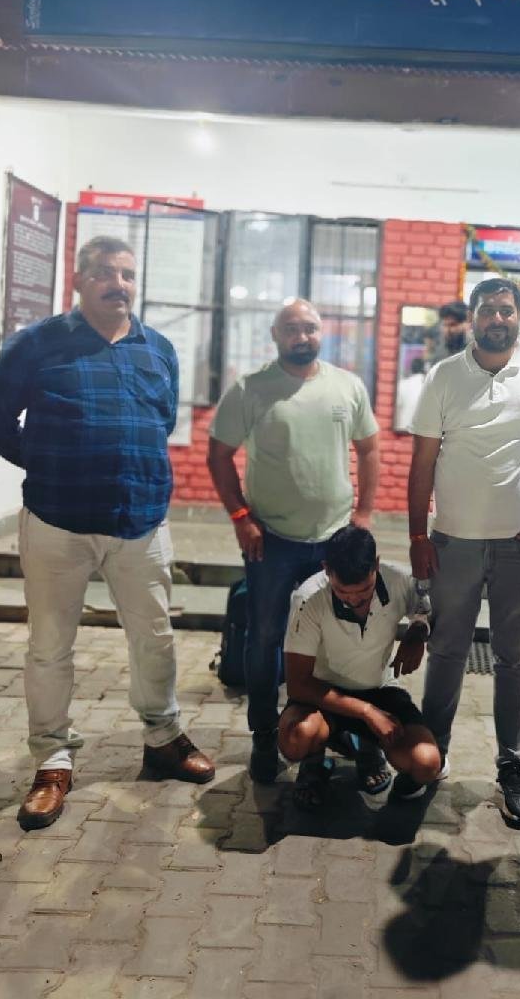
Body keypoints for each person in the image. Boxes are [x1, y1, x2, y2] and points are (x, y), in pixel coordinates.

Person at [0, 235, 215, 831]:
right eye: (105, 272)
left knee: (154, 637)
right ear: (79, 280)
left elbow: (160, 421)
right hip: (57, 521)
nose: (119, 283)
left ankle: (162, 738)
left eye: (127, 274)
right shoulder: (36, 344)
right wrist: (45, 463)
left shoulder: (158, 349)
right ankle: (52, 758)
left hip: (140, 522)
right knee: (50, 646)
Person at [207, 298, 379, 784]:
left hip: (334, 540)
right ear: (275, 335)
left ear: (322, 332)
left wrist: (364, 514)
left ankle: (328, 734)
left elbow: (369, 450)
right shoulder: (250, 389)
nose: (302, 337)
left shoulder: (347, 386)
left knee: (335, 643)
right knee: (265, 639)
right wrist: (241, 517)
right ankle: (265, 735)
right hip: (272, 540)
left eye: (310, 328)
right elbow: (218, 455)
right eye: (291, 329)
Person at [408, 277, 520, 825]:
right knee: (447, 649)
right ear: (472, 317)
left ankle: (513, 767)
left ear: (518, 316)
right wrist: (418, 536)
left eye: (506, 309)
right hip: (455, 540)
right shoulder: (445, 377)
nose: (497, 318)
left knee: (515, 656)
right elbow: (422, 462)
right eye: (487, 310)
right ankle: (432, 753)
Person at [280, 524, 441, 808]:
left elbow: (425, 605)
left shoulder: (398, 579)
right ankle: (314, 764)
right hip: (323, 694)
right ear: (326, 569)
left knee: (426, 763)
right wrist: (366, 712)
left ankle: (369, 749)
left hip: (379, 688)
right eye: (343, 592)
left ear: (376, 564)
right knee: (297, 738)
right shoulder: (308, 598)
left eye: (365, 590)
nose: (355, 599)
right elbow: (298, 684)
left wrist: (418, 631)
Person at [395, 356, 426, 432]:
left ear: (411, 369)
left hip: (403, 429)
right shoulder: (429, 386)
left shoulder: (402, 384)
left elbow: (397, 410)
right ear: (424, 369)